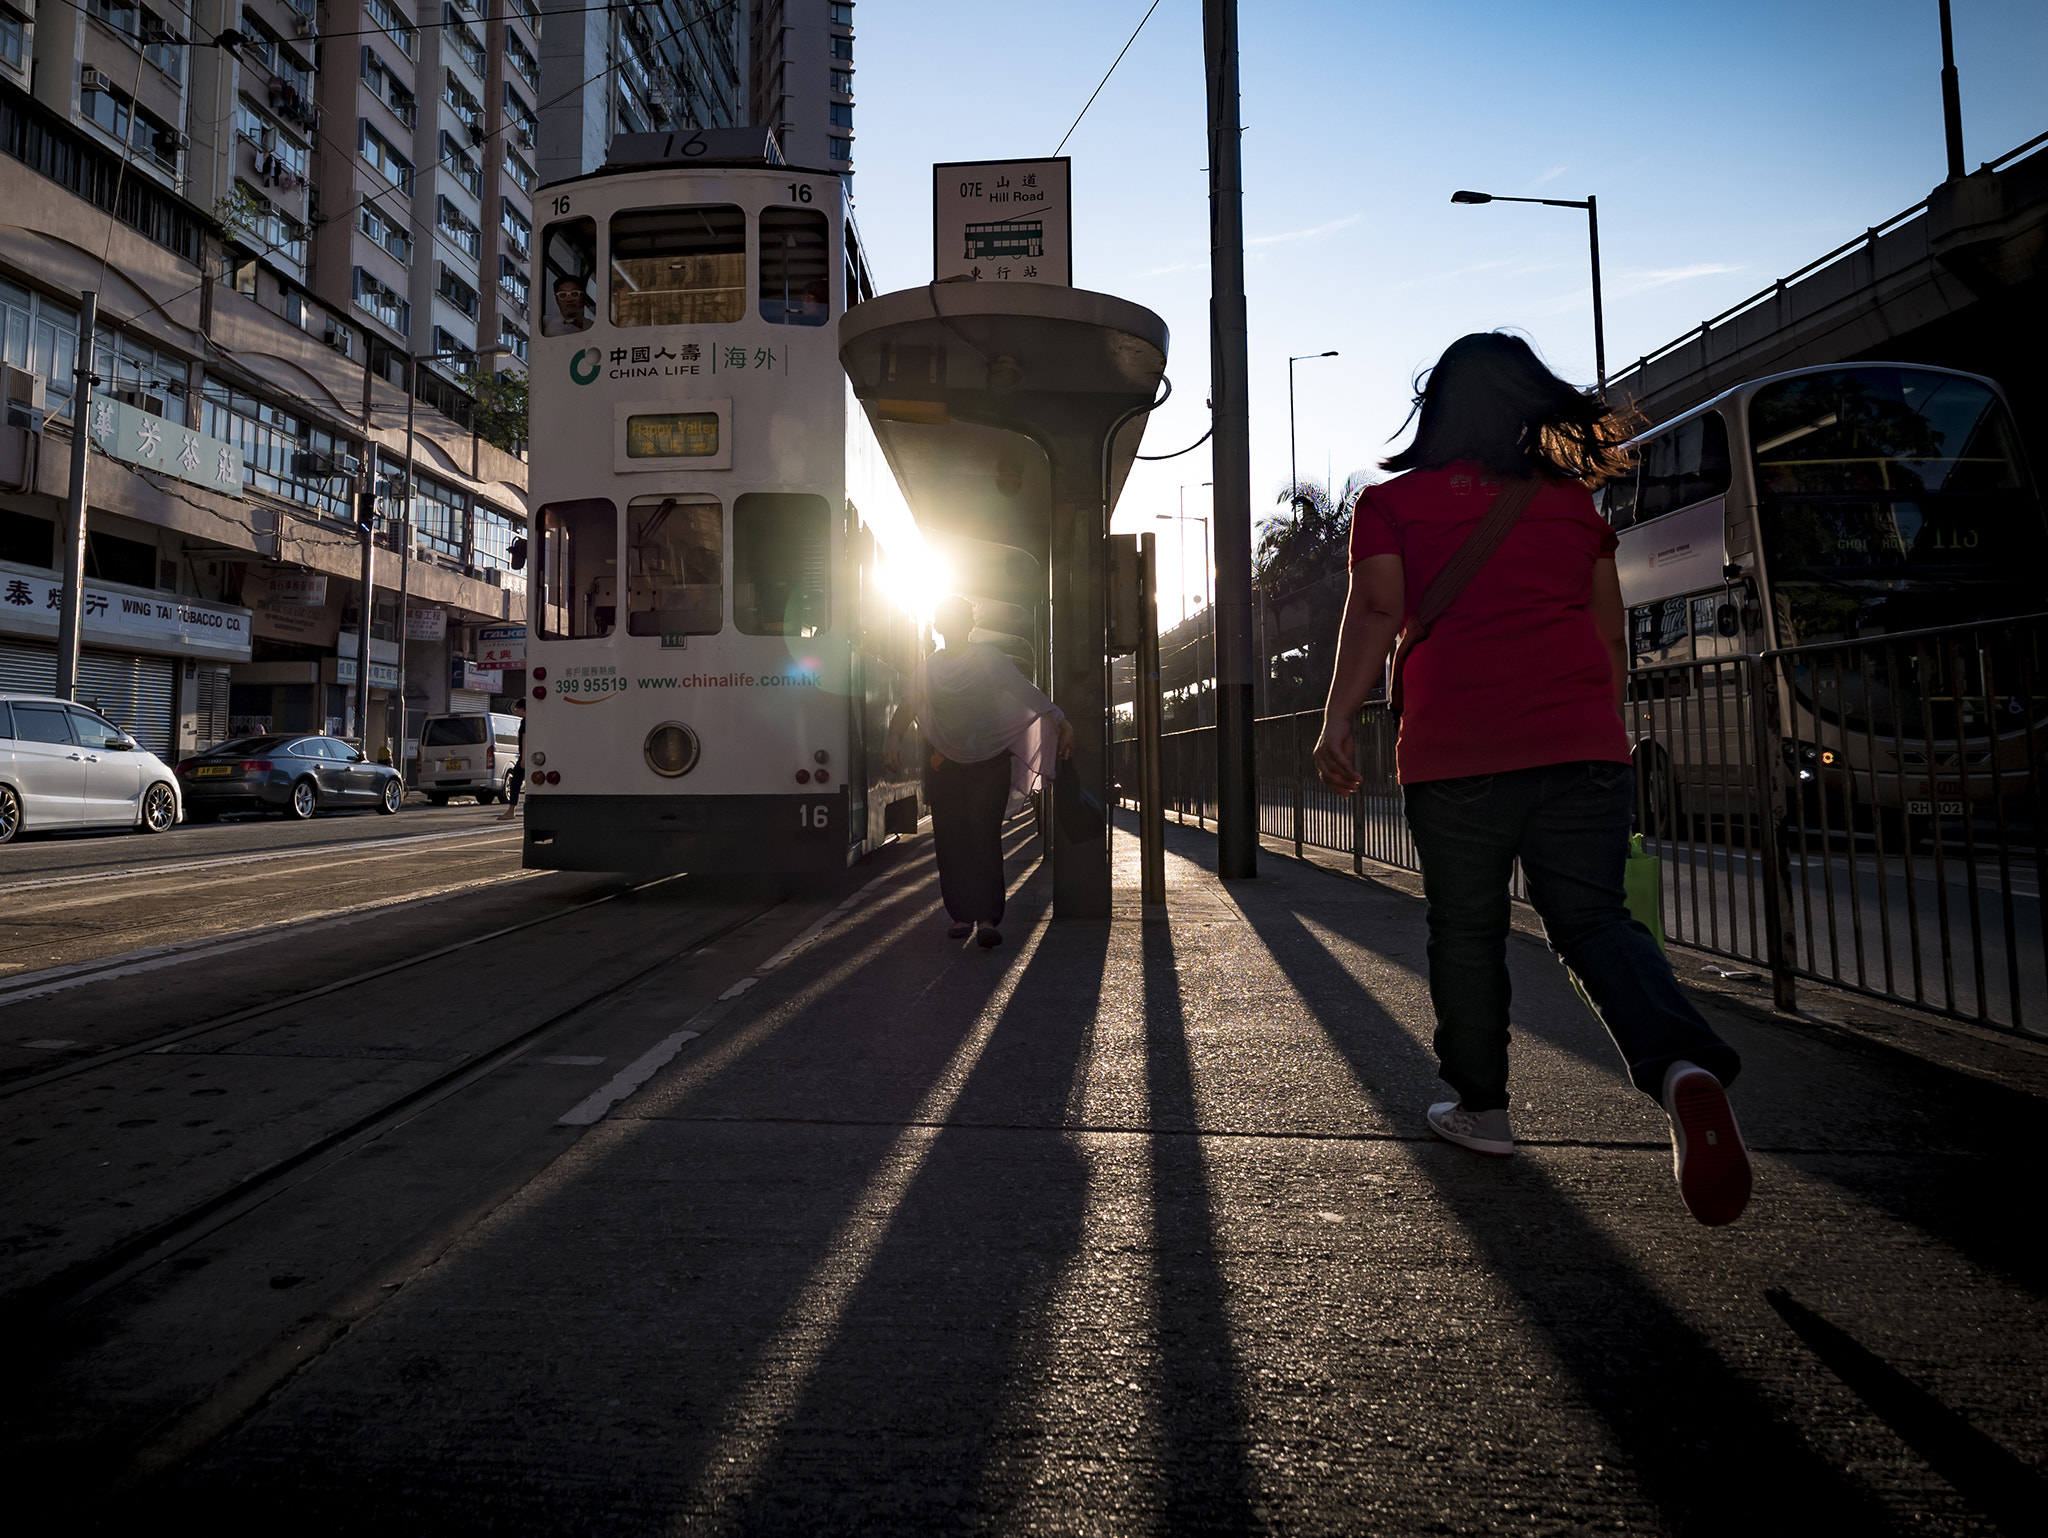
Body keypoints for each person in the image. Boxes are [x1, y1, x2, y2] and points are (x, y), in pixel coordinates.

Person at [1312, 332, 1752, 1227]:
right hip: (1581, 744)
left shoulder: (1390, 504)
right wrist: (1599, 730)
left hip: (1457, 747)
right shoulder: (1573, 509)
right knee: (1593, 921)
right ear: (1528, 409)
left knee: (1466, 928)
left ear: (1434, 409)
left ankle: (1483, 1109)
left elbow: (1380, 610)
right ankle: (1681, 1067)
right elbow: (1608, 637)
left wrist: (1336, 719)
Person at [884, 596, 1073, 949]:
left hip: (988, 763)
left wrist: (1059, 719)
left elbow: (1024, 692)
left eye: (958, 621)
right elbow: (906, 708)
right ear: (939, 627)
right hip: (945, 767)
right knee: (951, 841)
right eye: (946, 620)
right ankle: (961, 915)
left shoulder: (989, 660)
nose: (951, 627)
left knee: (983, 837)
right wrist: (892, 740)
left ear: (968, 626)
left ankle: (986, 918)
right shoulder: (927, 669)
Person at [494, 699, 527, 821]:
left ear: (523, 709)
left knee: (515, 782)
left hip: (526, 757)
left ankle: (511, 811)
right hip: (531, 756)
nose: (516, 711)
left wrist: (523, 758)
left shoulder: (525, 722)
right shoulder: (532, 720)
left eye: (517, 708)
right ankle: (512, 810)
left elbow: (525, 739)